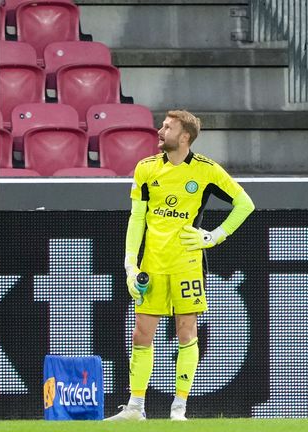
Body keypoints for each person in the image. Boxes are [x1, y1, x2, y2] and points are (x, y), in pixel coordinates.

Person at [106, 110, 255, 421]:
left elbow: (245, 204)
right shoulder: (146, 169)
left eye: (168, 127)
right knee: (140, 334)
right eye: (162, 125)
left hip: (187, 262)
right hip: (153, 262)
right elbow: (137, 219)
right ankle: (135, 407)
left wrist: (214, 237)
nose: (160, 130)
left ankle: (179, 408)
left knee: (186, 332)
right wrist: (130, 264)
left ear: (185, 136)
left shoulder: (206, 171)